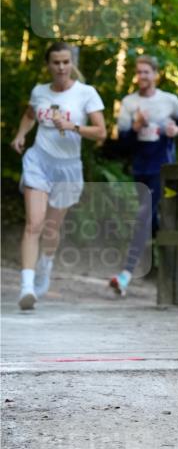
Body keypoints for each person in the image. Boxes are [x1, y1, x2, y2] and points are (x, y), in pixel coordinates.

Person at [10, 41, 106, 310]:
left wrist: (73, 126)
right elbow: (30, 114)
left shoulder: (86, 93)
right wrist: (20, 135)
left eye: (66, 62)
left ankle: (45, 264)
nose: (61, 67)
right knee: (34, 223)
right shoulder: (39, 92)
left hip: (68, 167)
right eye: (56, 62)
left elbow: (101, 132)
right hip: (39, 161)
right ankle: (26, 286)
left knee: (51, 228)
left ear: (71, 63)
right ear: (48, 65)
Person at [109, 55, 178, 297]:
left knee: (144, 216)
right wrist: (134, 128)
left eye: (147, 72)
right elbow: (122, 141)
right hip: (140, 168)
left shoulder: (169, 100)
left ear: (155, 74)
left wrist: (176, 130)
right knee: (151, 219)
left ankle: (125, 274)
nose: (142, 76)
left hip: (163, 167)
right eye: (139, 72)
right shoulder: (129, 102)